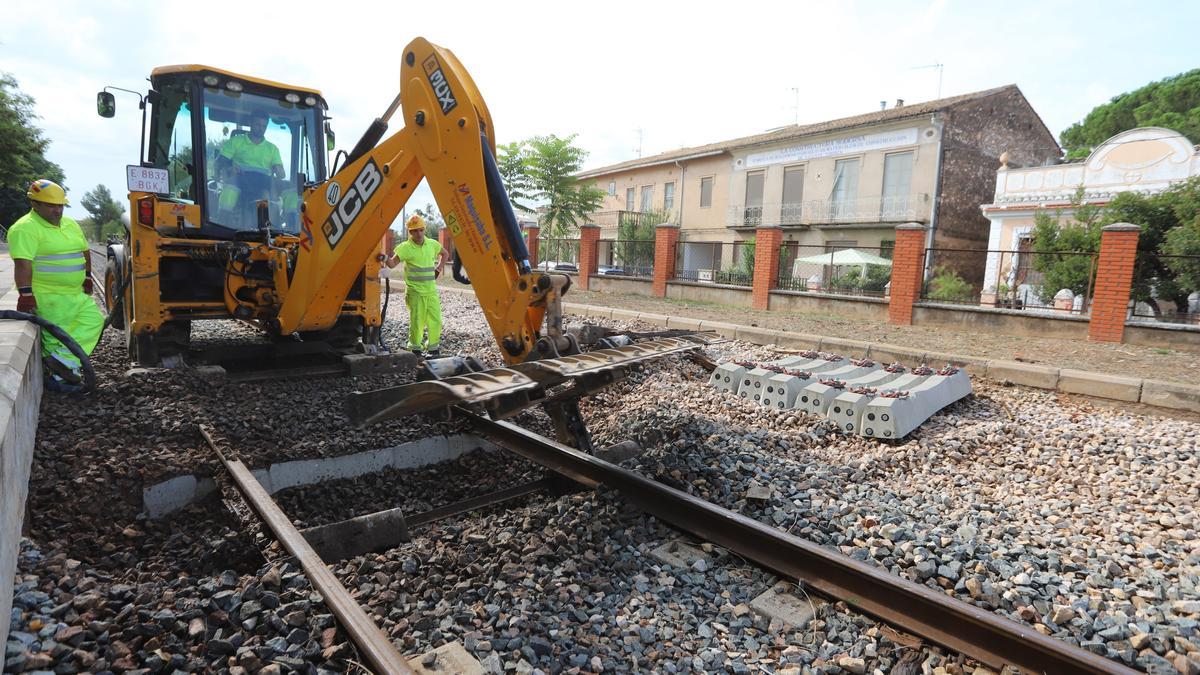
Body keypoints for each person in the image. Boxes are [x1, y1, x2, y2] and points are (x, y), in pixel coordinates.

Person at [7, 179, 105, 392]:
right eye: (51, 205)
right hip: (49, 295)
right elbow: (23, 263)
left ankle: (64, 363)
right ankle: (59, 377)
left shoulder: (70, 224)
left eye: (60, 205)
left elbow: (84, 250)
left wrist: (87, 276)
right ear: (35, 204)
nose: (57, 210)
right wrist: (25, 295)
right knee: (54, 337)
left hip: (75, 293)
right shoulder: (25, 228)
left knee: (94, 321)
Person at [383, 215, 447, 356]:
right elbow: (392, 264)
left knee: (435, 320)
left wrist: (438, 268)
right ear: (410, 233)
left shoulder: (432, 244)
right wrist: (384, 257)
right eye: (414, 231)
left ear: (424, 230)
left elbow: (445, 254)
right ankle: (415, 348)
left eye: (421, 230)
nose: (418, 233)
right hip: (415, 292)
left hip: (431, 292)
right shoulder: (405, 248)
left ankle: (433, 348)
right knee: (417, 322)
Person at [215, 110, 285, 228]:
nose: (261, 128)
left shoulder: (272, 149)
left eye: (264, 126)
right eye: (258, 125)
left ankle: (265, 230)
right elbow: (220, 162)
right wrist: (229, 168)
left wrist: (279, 171)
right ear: (250, 123)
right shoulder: (236, 142)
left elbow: (281, 173)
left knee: (267, 195)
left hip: (262, 183)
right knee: (230, 191)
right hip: (239, 180)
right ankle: (220, 226)